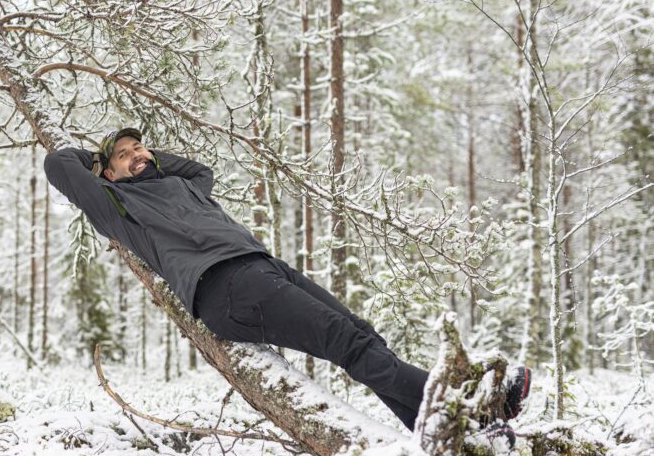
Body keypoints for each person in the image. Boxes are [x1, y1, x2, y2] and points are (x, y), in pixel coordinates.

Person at [43, 128, 531, 431]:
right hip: (224, 287)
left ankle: (440, 433)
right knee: (346, 341)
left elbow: (200, 167)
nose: (137, 156)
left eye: (139, 147)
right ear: (105, 174)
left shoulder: (183, 184)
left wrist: (144, 158)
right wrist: (106, 163)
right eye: (123, 155)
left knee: (362, 333)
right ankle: (471, 403)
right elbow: (57, 163)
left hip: (261, 265)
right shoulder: (117, 208)